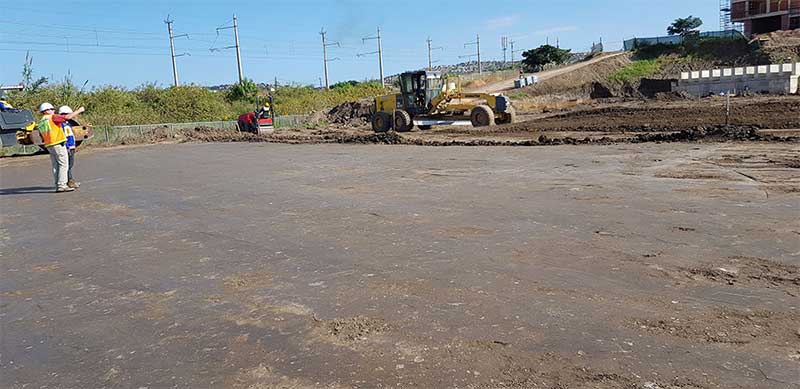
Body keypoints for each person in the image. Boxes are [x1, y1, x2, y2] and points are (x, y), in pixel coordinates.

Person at [36, 102, 85, 193]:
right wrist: (79, 111)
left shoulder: (41, 122)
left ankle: (58, 184)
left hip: (49, 145)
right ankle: (62, 185)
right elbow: (67, 117)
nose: (54, 111)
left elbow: (41, 135)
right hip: (58, 143)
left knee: (56, 166)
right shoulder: (52, 117)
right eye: (52, 109)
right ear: (47, 110)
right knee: (63, 164)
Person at [58, 106, 80, 188]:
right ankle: (68, 181)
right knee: (67, 165)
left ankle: (69, 180)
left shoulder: (68, 124)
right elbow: (63, 136)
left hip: (71, 146)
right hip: (68, 147)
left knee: (70, 164)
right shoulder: (61, 125)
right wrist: (67, 147)